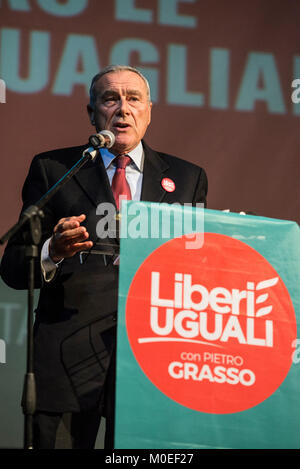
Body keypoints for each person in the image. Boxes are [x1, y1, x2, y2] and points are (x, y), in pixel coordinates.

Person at [0, 65, 208, 449]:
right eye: (110, 98)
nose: (123, 108)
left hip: (150, 361)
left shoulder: (188, 178)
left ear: (149, 110)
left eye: (133, 99)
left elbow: (194, 270)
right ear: (92, 112)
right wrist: (53, 252)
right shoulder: (55, 169)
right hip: (65, 358)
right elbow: (14, 268)